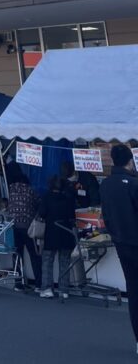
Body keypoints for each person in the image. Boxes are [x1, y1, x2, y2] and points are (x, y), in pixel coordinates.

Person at [99, 144, 138, 352]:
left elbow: (105, 216)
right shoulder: (133, 184)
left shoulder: (105, 185)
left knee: (134, 291)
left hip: (122, 243)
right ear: (130, 161)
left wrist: (115, 235)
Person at [5, 162, 42, 291]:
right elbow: (39, 204)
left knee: (17, 255)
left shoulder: (9, 189)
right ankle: (39, 284)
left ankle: (18, 283)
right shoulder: (30, 189)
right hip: (28, 226)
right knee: (34, 256)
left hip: (14, 226)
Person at [38, 176, 77, 299]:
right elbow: (72, 217)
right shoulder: (68, 198)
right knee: (65, 262)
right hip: (66, 234)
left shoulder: (46, 197)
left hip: (51, 234)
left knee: (47, 262)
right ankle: (64, 290)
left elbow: (42, 213)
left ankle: (47, 289)